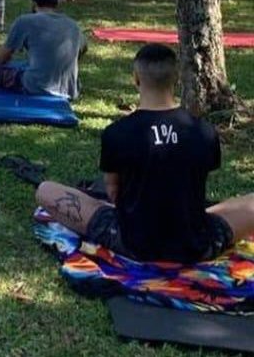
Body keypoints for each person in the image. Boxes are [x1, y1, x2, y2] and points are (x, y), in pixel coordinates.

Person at [35, 44, 254, 264]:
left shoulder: (117, 133)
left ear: (136, 78)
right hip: (196, 243)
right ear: (176, 79)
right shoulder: (204, 131)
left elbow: (113, 192)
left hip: (133, 243)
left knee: (45, 190)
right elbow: (196, 185)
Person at [0, 0, 86, 100]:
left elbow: (5, 55)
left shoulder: (25, 21)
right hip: (69, 89)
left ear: (34, 4)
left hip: (35, 86)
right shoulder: (73, 25)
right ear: (55, 4)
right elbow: (82, 50)